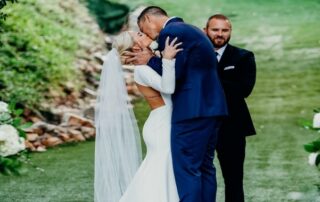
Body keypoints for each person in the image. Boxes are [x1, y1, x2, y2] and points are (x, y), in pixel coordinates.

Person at [125, 6, 228, 202]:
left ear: (148, 20)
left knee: (187, 169)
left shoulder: (170, 32)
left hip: (191, 112)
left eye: (143, 30)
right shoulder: (191, 29)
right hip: (213, 108)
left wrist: (150, 60)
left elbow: (174, 75)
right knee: (206, 167)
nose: (151, 38)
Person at [94, 30, 182, 202]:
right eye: (139, 35)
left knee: (160, 171)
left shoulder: (147, 65)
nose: (144, 34)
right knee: (160, 172)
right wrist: (168, 60)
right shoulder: (141, 70)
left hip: (162, 122)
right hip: (161, 126)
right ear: (135, 47)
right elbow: (169, 88)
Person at [204, 14, 256, 202]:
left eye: (224, 30)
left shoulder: (243, 57)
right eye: (215, 29)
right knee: (199, 175)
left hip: (232, 126)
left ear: (230, 32)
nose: (220, 34)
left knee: (233, 180)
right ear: (205, 31)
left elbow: (243, 89)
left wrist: (207, 77)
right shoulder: (196, 56)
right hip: (201, 124)